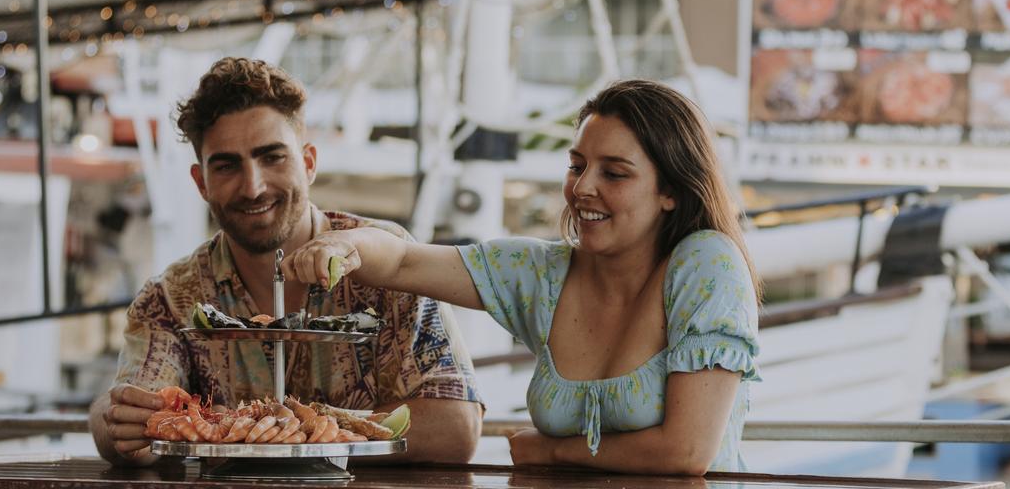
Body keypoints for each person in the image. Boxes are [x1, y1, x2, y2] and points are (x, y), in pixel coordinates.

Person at [283, 79, 761, 475]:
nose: (583, 188)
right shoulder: (542, 274)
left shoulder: (707, 262)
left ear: (671, 192)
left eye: (614, 174)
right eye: (577, 166)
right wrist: (345, 243)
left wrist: (554, 452)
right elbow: (404, 261)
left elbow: (686, 452)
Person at [88, 57, 482, 465]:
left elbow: (455, 427)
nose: (253, 187)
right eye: (226, 166)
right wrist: (112, 420)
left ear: (308, 162)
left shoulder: (383, 258)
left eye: (272, 157)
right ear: (201, 182)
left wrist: (294, 430)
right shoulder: (172, 296)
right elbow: (134, 424)